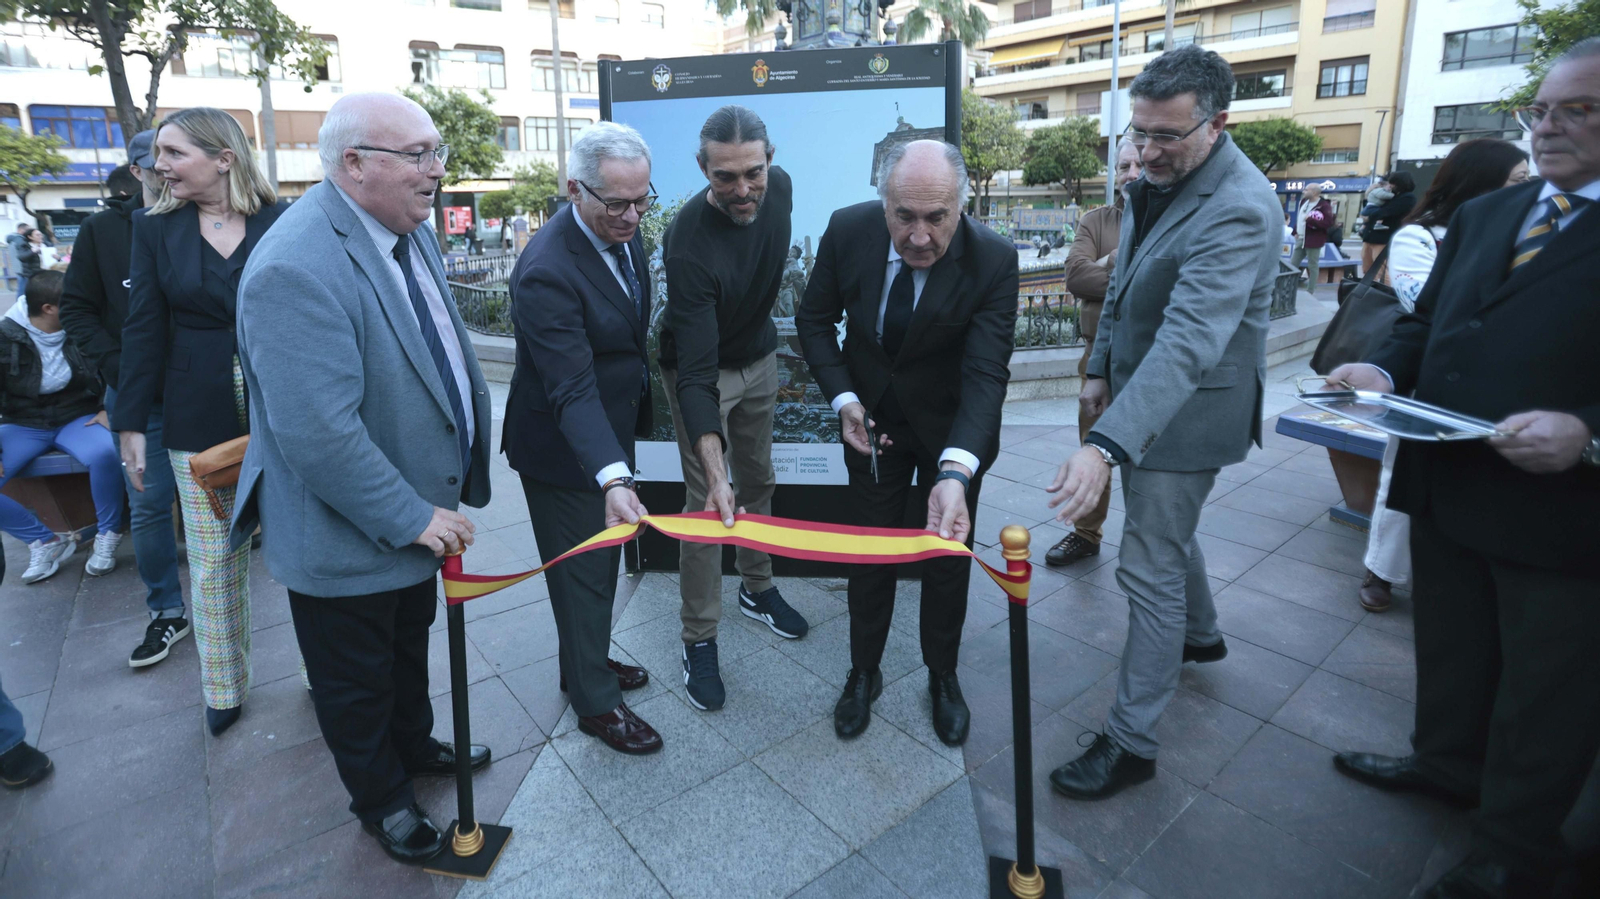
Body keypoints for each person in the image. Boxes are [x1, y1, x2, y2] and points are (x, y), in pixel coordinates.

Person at [1325, 39, 1600, 899]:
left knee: (1545, 690)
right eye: (1542, 110)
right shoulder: (1489, 216)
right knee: (1451, 646)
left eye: (1577, 110)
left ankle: (1515, 847)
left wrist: (1587, 433)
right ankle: (1444, 762)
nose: (1549, 127)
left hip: (1564, 511)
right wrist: (1380, 369)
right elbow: (1425, 326)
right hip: (1450, 480)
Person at [232, 92, 494, 866]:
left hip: (415, 509)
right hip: (353, 525)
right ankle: (382, 800)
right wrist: (413, 515)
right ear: (353, 163)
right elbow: (316, 432)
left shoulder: (402, 227)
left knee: (406, 645)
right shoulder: (292, 267)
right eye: (418, 154)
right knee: (353, 679)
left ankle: (413, 746)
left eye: (436, 150)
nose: (437, 170)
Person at [1045, 45, 1282, 800]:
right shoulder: (1157, 178)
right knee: (1169, 530)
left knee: (1147, 564)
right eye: (1136, 134)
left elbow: (1188, 341)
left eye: (1164, 136)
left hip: (1190, 412)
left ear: (1218, 124)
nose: (1144, 151)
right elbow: (1120, 288)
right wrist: (1097, 369)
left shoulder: (1240, 207)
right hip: (1136, 396)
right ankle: (1200, 636)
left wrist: (1103, 448)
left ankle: (1132, 739)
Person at [797, 140, 1018, 746]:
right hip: (873, 428)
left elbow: (986, 374)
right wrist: (844, 401)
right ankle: (863, 671)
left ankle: (942, 675)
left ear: (961, 206)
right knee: (871, 555)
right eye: (904, 216)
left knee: (946, 557)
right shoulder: (847, 231)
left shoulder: (993, 259)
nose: (919, 237)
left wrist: (957, 472)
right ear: (883, 201)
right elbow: (815, 321)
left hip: (952, 434)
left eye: (937, 218)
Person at [113, 108, 283, 737]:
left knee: (302, 542)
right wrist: (130, 421)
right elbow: (143, 327)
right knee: (215, 559)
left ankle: (326, 676)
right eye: (159, 153)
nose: (159, 165)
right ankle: (224, 687)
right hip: (195, 411)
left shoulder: (284, 220)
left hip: (284, 406)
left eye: (173, 153)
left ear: (224, 157)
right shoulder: (153, 228)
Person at [502, 121, 662, 756]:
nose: (631, 216)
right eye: (615, 203)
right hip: (565, 451)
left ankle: (585, 661)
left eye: (641, 199)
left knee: (596, 568)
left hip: (604, 435)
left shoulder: (624, 231)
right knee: (585, 577)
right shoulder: (546, 268)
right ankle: (595, 702)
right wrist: (613, 476)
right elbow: (570, 388)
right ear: (574, 189)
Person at [658, 105, 809, 712]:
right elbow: (694, 376)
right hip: (701, 372)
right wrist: (716, 474)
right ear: (702, 169)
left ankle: (758, 587)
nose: (743, 190)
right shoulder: (687, 242)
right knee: (707, 504)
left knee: (762, 479)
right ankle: (698, 637)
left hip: (761, 356)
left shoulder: (784, 190)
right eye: (725, 177)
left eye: (753, 173)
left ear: (770, 160)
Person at [1355, 139, 1529, 613]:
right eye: (1517, 180)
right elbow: (1424, 308)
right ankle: (1382, 569)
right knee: (1405, 474)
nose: (1526, 189)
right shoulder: (1424, 235)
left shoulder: (1525, 232)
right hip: (1430, 378)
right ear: (1482, 181)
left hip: (1500, 386)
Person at [60, 129, 190, 666]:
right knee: (150, 505)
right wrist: (119, 369)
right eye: (153, 163)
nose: (165, 171)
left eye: (174, 158)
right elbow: (76, 310)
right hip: (139, 397)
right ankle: (166, 611)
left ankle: (227, 604)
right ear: (135, 172)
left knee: (229, 502)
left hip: (204, 388)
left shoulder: (205, 221)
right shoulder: (102, 230)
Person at [1048, 138, 1141, 568]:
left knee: (1148, 462)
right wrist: (1118, 265)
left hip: (1148, 367)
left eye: (1137, 165)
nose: (1130, 174)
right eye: (1123, 166)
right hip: (1097, 364)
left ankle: (1148, 543)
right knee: (1092, 448)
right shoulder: (1096, 220)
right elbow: (1076, 277)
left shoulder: (1176, 221)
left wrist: (1111, 270)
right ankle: (1085, 534)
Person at [0, 270, 125, 582]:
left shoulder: (81, 326)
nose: (81, 306)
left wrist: (104, 406)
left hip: (75, 415)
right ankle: (43, 540)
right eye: (71, 303)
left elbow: (110, 365)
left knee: (107, 452)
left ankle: (108, 535)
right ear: (48, 309)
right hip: (24, 421)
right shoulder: (5, 337)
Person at [1358, 171, 1415, 280]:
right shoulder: (1389, 194)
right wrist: (1369, 193)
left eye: (1393, 183)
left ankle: (1384, 293)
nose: (1390, 185)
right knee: (1367, 269)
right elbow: (1372, 204)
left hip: (1384, 239)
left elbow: (1387, 211)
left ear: (1400, 183)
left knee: (1382, 271)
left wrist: (1370, 217)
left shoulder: (1407, 198)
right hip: (1370, 236)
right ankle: (1368, 292)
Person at [1289, 183, 1334, 294]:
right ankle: (1288, 286)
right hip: (1300, 238)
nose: (1303, 192)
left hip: (1313, 239)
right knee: (1292, 264)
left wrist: (1311, 220)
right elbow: (1300, 218)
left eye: (1306, 190)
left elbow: (1328, 223)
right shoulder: (1303, 202)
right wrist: (1295, 231)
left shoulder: (1324, 206)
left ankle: (1311, 289)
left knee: (1312, 264)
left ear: (1313, 192)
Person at [15, 228, 45, 299]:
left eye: (41, 234)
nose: (40, 236)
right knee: (24, 296)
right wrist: (32, 251)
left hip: (44, 274)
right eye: (37, 235)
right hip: (30, 275)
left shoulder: (45, 245)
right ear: (30, 237)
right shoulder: (25, 246)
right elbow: (22, 257)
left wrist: (58, 258)